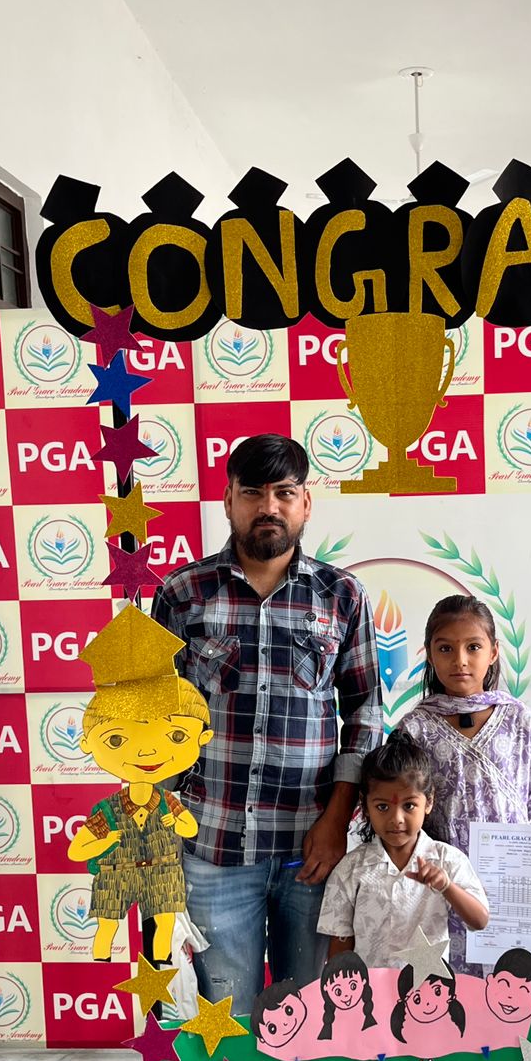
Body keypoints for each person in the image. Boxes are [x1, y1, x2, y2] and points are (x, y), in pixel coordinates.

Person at [152, 434, 383, 1015]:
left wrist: (337, 819)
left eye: (284, 492)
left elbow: (364, 712)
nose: (269, 507)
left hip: (313, 846)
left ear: (306, 503)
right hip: (212, 844)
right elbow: (158, 721)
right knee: (229, 1018)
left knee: (305, 1015)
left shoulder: (342, 596)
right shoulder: (181, 594)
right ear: (228, 501)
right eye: (252, 492)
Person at [396, 594, 531, 971]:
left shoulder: (519, 720)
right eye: (445, 648)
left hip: (516, 892)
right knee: (448, 997)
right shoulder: (414, 729)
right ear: (429, 655)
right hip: (444, 891)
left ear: (494, 652)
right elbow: (404, 817)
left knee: (512, 994)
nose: (460, 660)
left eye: (473, 647)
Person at [67, 607, 212, 963]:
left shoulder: (167, 802)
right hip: (115, 875)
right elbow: (77, 851)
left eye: (175, 736)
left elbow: (189, 827)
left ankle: (161, 967)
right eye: (117, 740)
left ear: (203, 737)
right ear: (87, 743)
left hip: (163, 872)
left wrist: (176, 821)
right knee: (107, 928)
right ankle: (103, 963)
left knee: (164, 927)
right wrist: (105, 841)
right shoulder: (109, 810)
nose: (147, 751)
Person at [318, 735, 489, 969]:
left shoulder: (448, 860)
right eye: (382, 807)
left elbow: (480, 920)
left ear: (429, 802)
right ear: (365, 806)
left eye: (409, 806)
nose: (396, 819)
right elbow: (340, 945)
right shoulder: (350, 869)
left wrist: (446, 886)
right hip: (370, 990)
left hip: (428, 990)